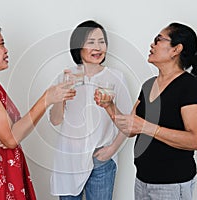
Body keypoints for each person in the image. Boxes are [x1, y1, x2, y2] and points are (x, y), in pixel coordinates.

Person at [0, 21, 76, 200]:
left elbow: (16, 131)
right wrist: (45, 99)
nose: (6, 50)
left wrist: (11, 133)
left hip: (1, 172)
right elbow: (11, 138)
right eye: (0, 44)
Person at [96, 22, 197, 199]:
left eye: (159, 40)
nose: (152, 44)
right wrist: (109, 106)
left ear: (176, 49)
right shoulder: (148, 85)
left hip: (172, 184)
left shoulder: (190, 86)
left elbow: (196, 140)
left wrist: (147, 127)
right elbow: (130, 127)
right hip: (142, 181)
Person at [49, 20, 132, 200]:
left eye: (101, 41)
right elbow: (55, 120)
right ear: (78, 46)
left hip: (101, 159)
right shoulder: (66, 76)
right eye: (91, 42)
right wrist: (60, 97)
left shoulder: (116, 77)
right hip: (69, 159)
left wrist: (112, 149)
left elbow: (127, 123)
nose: (98, 47)